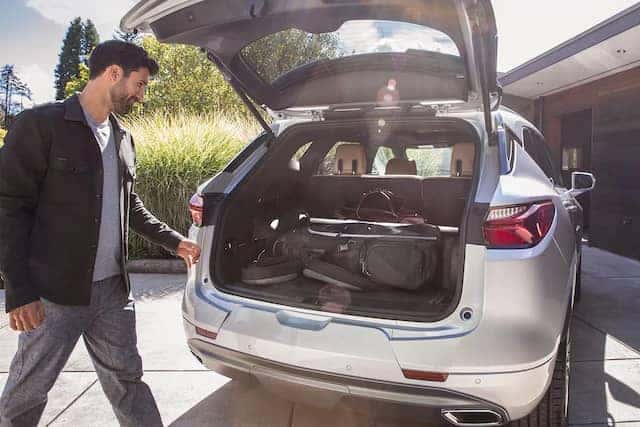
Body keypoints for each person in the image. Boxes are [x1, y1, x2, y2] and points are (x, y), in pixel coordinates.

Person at [0, 40, 201, 427]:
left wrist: (175, 242)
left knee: (127, 381)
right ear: (113, 74)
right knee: (29, 390)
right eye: (139, 84)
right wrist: (20, 292)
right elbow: (7, 208)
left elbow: (130, 207)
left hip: (112, 293)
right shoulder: (42, 126)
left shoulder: (123, 139)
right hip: (55, 294)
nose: (141, 95)